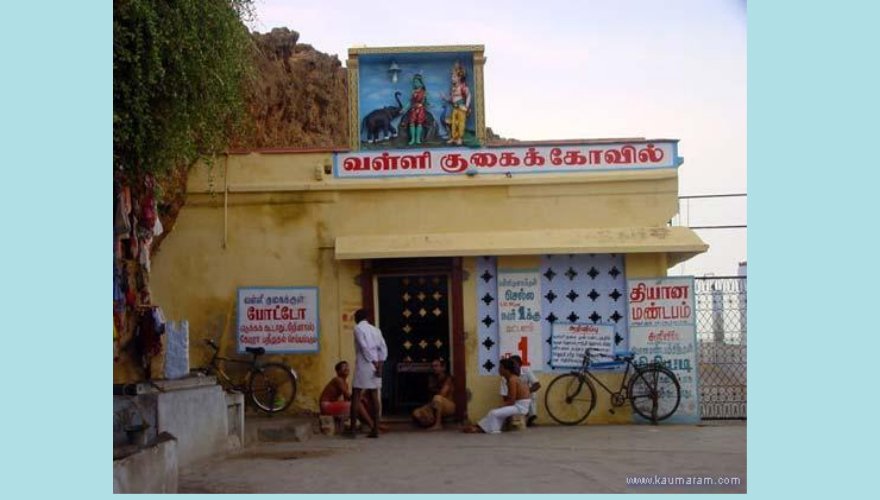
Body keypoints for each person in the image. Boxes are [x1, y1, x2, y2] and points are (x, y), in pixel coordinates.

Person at [463, 358, 531, 434]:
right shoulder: (511, 379)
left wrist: (502, 406)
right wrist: (503, 406)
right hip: (517, 405)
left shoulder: (512, 380)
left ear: (507, 370)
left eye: (501, 367)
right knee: (496, 412)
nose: (499, 369)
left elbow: (511, 401)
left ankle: (489, 430)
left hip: (520, 407)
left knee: (493, 413)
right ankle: (479, 427)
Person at [348, 309, 387, 438]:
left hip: (364, 364)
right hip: (376, 365)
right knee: (375, 394)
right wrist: (380, 363)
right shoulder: (376, 330)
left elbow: (364, 346)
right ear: (367, 317)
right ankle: (375, 429)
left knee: (356, 395)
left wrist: (373, 361)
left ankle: (352, 430)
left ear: (357, 318)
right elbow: (383, 347)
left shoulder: (358, 328)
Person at [319, 361, 384, 432]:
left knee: (358, 403)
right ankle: (372, 426)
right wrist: (360, 398)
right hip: (326, 406)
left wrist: (361, 398)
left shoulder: (344, 382)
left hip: (332, 404)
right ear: (338, 371)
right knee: (357, 404)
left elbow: (347, 399)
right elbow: (349, 396)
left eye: (347, 367)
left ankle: (373, 425)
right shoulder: (338, 380)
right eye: (343, 367)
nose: (346, 368)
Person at [411, 359, 456, 431]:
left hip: (449, 405)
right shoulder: (433, 378)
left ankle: (438, 424)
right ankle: (430, 421)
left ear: (443, 367)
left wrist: (433, 390)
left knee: (437, 398)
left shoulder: (448, 378)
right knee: (416, 412)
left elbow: (442, 394)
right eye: (433, 366)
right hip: (434, 404)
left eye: (436, 366)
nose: (434, 368)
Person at [504, 355, 541, 426]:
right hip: (513, 396)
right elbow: (504, 395)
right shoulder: (506, 374)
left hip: (525, 396)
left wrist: (524, 393)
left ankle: (531, 416)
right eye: (511, 364)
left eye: (515, 364)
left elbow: (537, 385)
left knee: (532, 394)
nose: (513, 366)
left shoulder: (526, 370)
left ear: (520, 365)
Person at [442, 62, 470, 145]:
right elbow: (452, 99)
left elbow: (469, 96)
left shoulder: (463, 87)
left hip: (461, 107)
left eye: (454, 76)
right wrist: (445, 98)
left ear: (459, 77)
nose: (452, 78)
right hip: (455, 107)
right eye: (452, 76)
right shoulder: (453, 88)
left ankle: (460, 138)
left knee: (461, 123)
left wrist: (466, 106)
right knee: (454, 123)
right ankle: (454, 137)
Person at [405, 74, 429, 146]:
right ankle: (413, 139)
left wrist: (425, 104)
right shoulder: (413, 92)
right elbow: (410, 101)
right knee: (411, 122)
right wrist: (405, 108)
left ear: (421, 83)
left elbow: (425, 101)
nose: (415, 83)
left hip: (420, 108)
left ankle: (418, 139)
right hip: (413, 108)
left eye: (417, 82)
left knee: (419, 123)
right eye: (414, 82)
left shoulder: (424, 92)